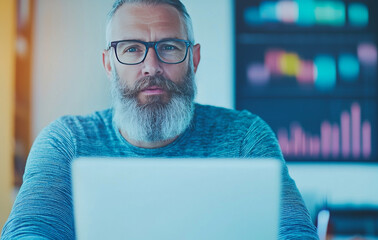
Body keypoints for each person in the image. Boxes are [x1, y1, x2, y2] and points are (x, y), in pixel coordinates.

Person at [1, 0, 318, 239]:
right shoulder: (65, 142)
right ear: (109, 64)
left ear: (193, 59)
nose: (151, 66)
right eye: (131, 48)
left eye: (168, 47)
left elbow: (296, 234)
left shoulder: (246, 137)